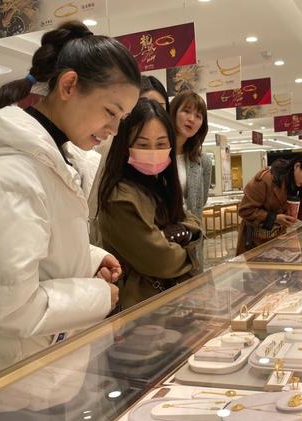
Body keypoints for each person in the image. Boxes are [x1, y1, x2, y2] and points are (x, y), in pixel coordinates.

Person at [0, 21, 141, 421]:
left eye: (122, 119)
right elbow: (4, 305)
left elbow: (33, 247)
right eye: (110, 111)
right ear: (69, 85)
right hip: (14, 381)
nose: (113, 129)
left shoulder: (50, 161)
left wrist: (89, 257)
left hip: (38, 368)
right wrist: (99, 296)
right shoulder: (8, 176)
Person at [97, 99, 202, 308]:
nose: (153, 152)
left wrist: (172, 234)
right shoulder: (120, 197)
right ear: (125, 145)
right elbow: (162, 260)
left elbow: (194, 222)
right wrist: (188, 247)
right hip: (140, 306)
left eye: (161, 144)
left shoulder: (160, 184)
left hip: (171, 301)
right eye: (143, 145)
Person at [89, 76, 171, 245]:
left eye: (159, 106)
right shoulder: (109, 144)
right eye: (142, 105)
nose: (151, 111)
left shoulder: (168, 148)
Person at [236, 152, 302, 255]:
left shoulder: (300, 186)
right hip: (254, 243)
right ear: (297, 166)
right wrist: (274, 218)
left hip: (278, 241)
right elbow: (245, 210)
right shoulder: (266, 179)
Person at [170, 91, 211, 270]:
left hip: (191, 238)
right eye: (186, 111)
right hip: (162, 238)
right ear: (173, 112)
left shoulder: (202, 161)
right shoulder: (158, 153)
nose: (191, 119)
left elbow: (200, 201)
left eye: (198, 116)